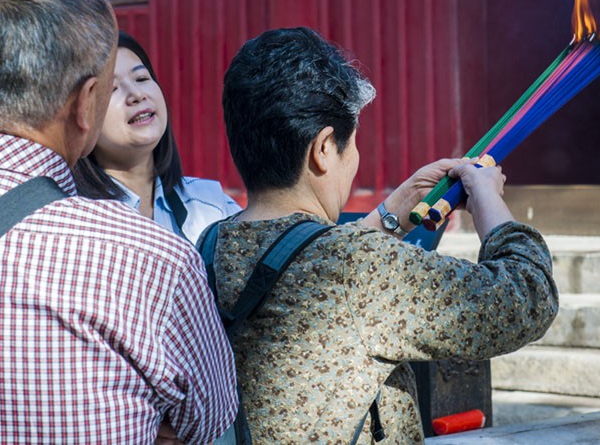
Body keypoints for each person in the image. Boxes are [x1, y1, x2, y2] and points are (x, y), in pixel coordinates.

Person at [0, 0, 238, 443]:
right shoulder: (152, 264)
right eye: (110, 87)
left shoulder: (189, 220)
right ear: (86, 104)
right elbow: (208, 426)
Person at [209, 27, 559, 443]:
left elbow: (296, 258)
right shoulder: (356, 267)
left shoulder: (211, 244)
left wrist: (395, 211)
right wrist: (489, 204)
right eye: (352, 143)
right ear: (324, 149)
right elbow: (526, 297)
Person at [74, 32, 242, 244]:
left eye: (142, 78)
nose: (136, 94)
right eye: (111, 89)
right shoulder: (76, 222)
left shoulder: (212, 205)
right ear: (81, 116)